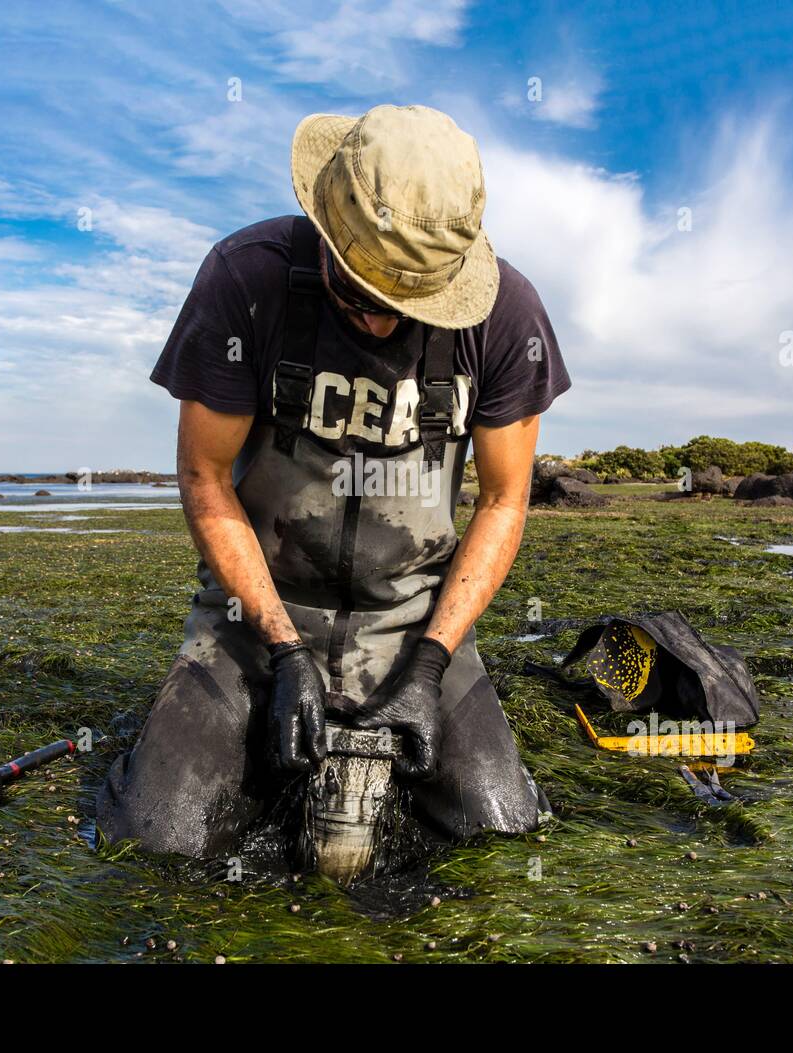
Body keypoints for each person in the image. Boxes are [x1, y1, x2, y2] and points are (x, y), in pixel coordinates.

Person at [97, 104, 571, 858]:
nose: (378, 326)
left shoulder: (508, 317)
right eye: (358, 294)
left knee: (501, 830)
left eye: (401, 306)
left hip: (414, 623)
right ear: (323, 225)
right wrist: (282, 649)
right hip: (251, 625)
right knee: (160, 838)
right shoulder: (244, 282)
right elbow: (204, 473)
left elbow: (505, 499)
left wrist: (431, 660)